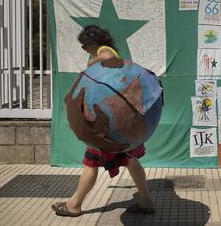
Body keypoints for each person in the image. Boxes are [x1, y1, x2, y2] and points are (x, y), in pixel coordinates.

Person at [51, 25, 155, 217]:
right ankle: (146, 201)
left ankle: (74, 205)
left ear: (92, 43)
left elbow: (107, 58)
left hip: (106, 127)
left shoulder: (103, 52)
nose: (85, 50)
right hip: (123, 126)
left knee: (90, 163)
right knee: (130, 160)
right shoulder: (108, 51)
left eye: (84, 46)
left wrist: (92, 62)